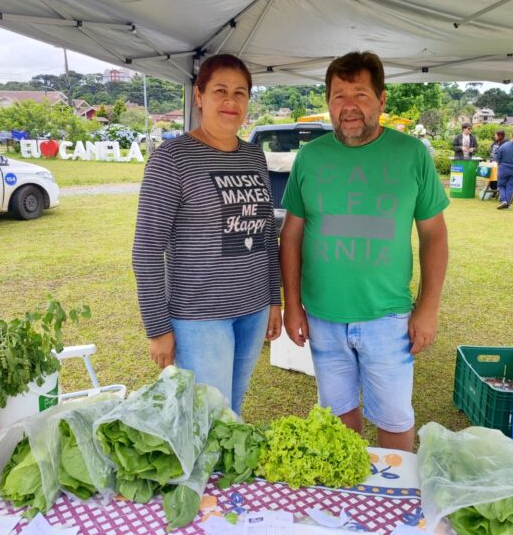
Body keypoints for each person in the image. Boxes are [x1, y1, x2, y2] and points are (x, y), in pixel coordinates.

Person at [279, 51, 449, 451]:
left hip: (388, 317)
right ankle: (350, 501)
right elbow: (291, 235)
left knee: (394, 422)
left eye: (360, 94)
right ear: (328, 102)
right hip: (323, 316)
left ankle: (394, 503)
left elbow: (434, 236)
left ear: (382, 100)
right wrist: (293, 304)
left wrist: (428, 308)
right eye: (339, 96)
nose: (349, 107)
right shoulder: (310, 157)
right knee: (337, 421)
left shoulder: (411, 155)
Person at [132, 53, 282, 415]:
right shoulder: (172, 158)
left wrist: (273, 299)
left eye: (240, 92)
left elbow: (265, 235)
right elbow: (147, 250)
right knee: (207, 419)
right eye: (220, 91)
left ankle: (224, 475)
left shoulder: (253, 157)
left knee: (232, 412)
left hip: (253, 308)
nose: (230, 101)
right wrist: (157, 328)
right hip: (200, 317)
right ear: (199, 96)